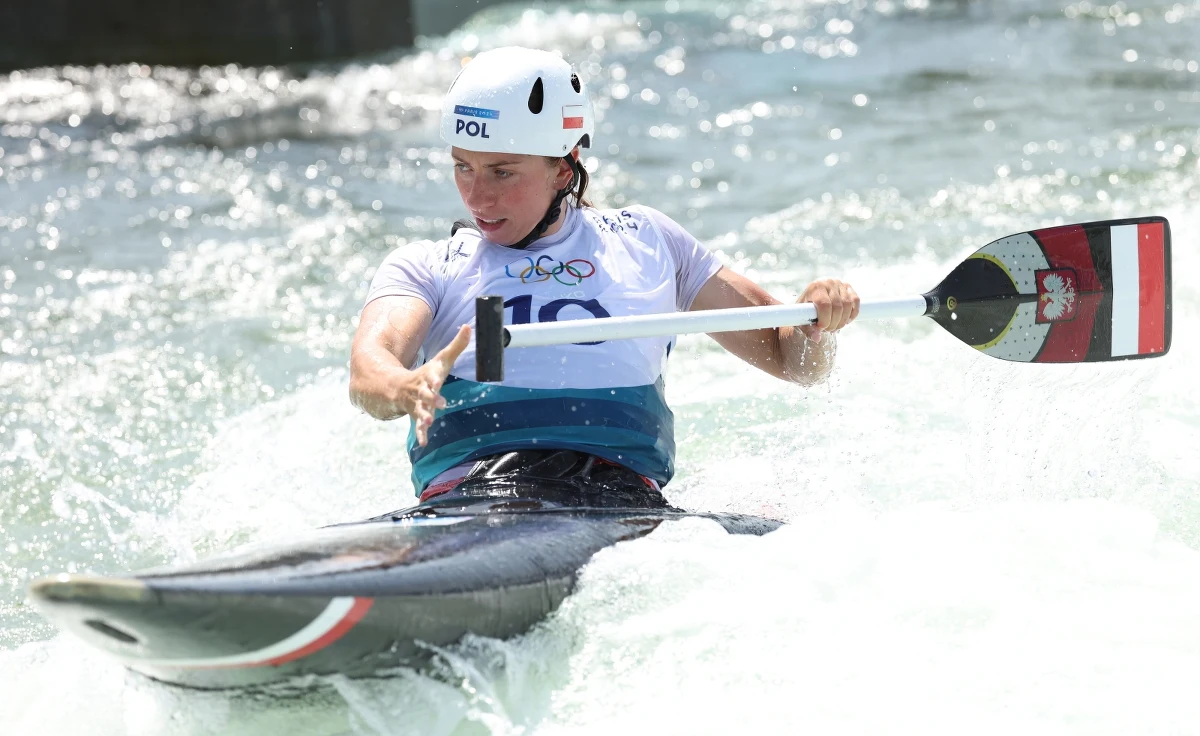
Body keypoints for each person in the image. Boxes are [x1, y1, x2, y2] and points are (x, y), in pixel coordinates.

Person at [350, 46, 859, 504]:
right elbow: (369, 369)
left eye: (502, 172)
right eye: (464, 167)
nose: (477, 197)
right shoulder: (431, 266)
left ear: (563, 172)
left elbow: (796, 363)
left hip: (623, 500)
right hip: (474, 497)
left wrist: (818, 318)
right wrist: (403, 386)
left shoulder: (648, 242)